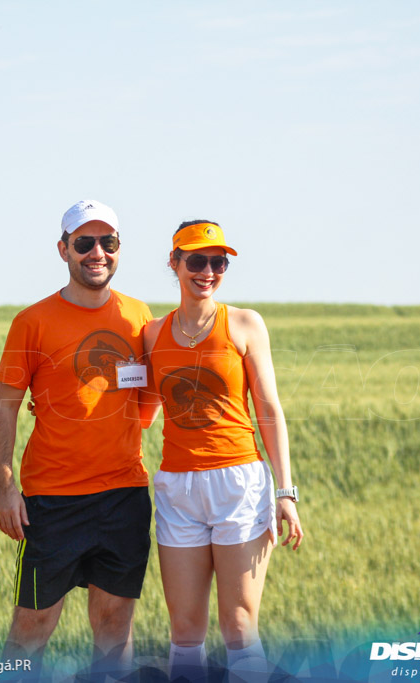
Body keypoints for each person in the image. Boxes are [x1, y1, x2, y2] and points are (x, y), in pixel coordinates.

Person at [0, 199, 155, 679]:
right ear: (64, 250)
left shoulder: (138, 316)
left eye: (108, 242)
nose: (96, 253)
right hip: (52, 501)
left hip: (124, 496)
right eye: (84, 243)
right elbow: (3, 409)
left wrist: (122, 433)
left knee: (114, 626)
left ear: (119, 249)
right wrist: (4, 485)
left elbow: (148, 391)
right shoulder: (33, 321)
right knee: (32, 626)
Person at [142, 220, 305, 683]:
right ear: (174, 263)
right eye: (196, 260)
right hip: (177, 487)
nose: (208, 271)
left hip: (238, 483)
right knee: (185, 631)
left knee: (238, 626)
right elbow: (143, 412)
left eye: (218, 262)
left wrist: (286, 491)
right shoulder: (153, 335)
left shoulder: (245, 323)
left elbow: (269, 409)